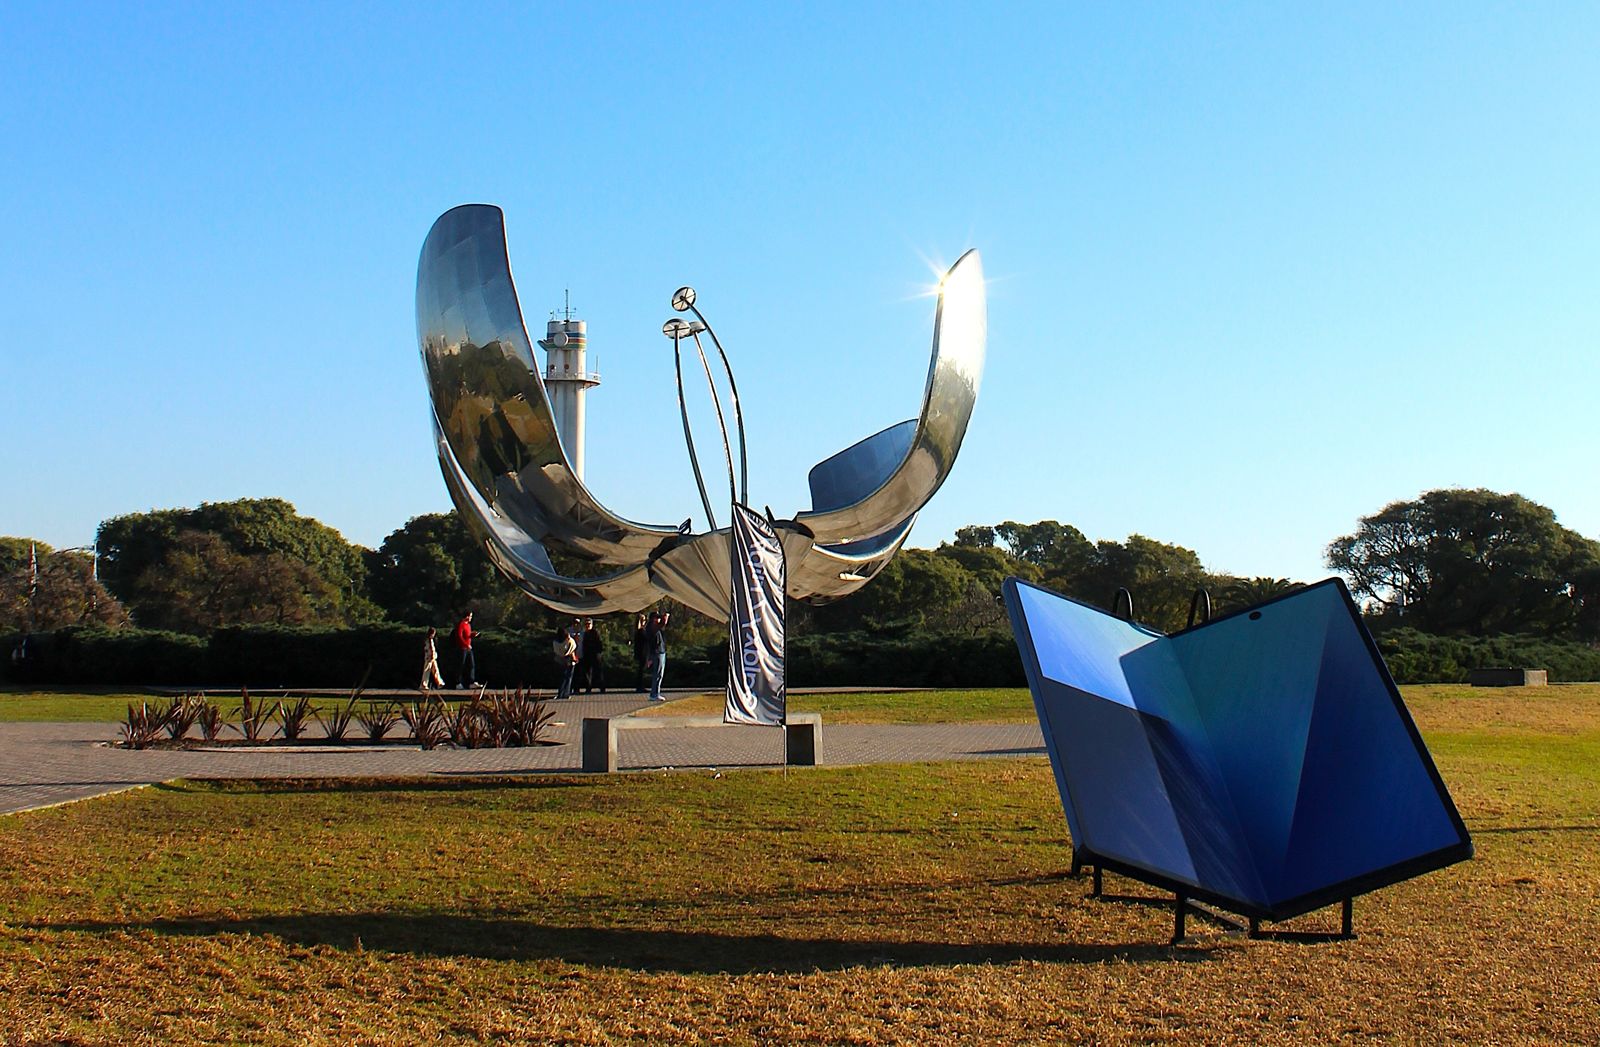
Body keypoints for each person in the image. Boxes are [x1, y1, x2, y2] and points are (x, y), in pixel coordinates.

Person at [646, 610, 671, 702]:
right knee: (658, 674)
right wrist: (666, 616)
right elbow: (663, 623)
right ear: (653, 619)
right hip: (657, 652)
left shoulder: (652, 627)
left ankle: (655, 693)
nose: (658, 620)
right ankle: (654, 694)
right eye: (657, 618)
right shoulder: (652, 627)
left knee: (659, 674)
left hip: (659, 651)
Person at [578, 617, 606, 693]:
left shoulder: (595, 633)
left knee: (598, 672)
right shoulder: (584, 634)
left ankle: (602, 687)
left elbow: (599, 644)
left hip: (595, 655)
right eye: (586, 624)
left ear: (592, 625)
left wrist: (599, 653)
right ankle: (588, 687)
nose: (587, 625)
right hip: (587, 655)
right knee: (587, 672)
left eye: (589, 624)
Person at [552, 621, 578, 700]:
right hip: (569, 661)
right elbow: (573, 646)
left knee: (562, 677)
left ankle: (561, 693)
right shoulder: (568, 640)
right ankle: (566, 693)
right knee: (568, 677)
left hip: (560, 661)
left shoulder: (556, 642)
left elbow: (556, 651)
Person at [454, 611, 476, 688]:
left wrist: (473, 635)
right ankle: (458, 683)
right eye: (470, 616)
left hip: (468, 647)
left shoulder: (468, 625)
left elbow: (468, 635)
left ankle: (471, 682)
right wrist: (466, 644)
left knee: (471, 665)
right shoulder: (461, 624)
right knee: (461, 665)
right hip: (462, 648)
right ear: (466, 616)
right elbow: (459, 636)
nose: (471, 618)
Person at [420, 627, 445, 691]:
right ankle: (423, 684)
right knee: (427, 671)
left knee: (435, 670)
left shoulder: (429, 640)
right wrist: (431, 655)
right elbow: (430, 649)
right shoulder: (429, 640)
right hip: (429, 657)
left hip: (432, 657)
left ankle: (439, 682)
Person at [632, 614, 649, 692]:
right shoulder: (640, 631)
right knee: (641, 670)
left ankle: (640, 686)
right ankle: (640, 686)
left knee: (641, 670)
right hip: (642, 653)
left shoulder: (641, 630)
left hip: (642, 652)